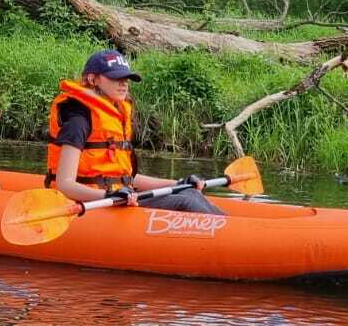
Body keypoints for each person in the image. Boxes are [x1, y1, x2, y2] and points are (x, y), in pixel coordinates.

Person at [46, 49, 222, 215]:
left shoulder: (116, 116)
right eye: (116, 78)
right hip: (93, 203)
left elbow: (128, 180)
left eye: (126, 79)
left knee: (192, 194)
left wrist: (180, 183)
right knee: (185, 203)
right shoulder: (79, 118)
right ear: (93, 79)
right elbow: (64, 184)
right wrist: (109, 196)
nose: (124, 84)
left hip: (117, 197)